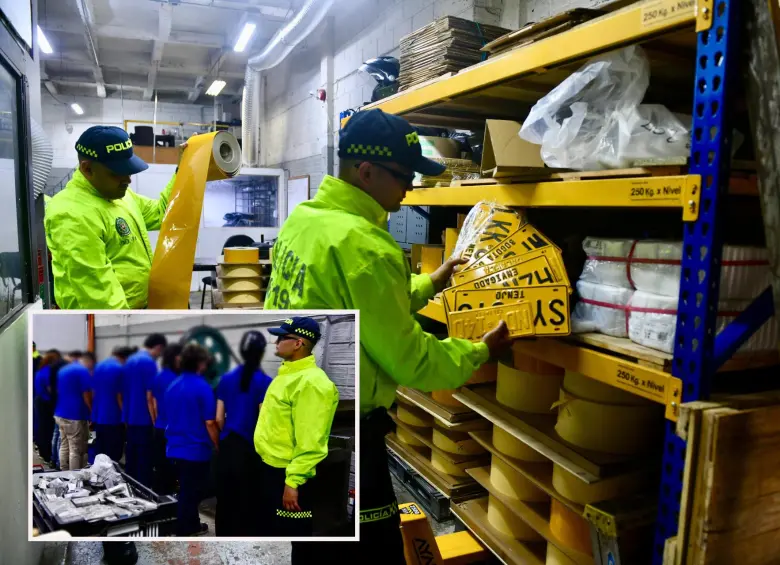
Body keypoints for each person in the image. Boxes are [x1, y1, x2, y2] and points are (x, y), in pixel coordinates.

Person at [263, 109, 512, 560]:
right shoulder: (365, 243)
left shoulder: (305, 221)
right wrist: (479, 351)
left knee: (315, 535)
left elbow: (359, 298)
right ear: (367, 171)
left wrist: (430, 283)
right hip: (347, 433)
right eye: (404, 176)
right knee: (370, 548)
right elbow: (408, 358)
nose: (409, 189)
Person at [44, 126, 187, 309]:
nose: (128, 180)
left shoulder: (120, 196)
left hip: (135, 312)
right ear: (87, 169)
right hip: (103, 322)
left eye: (128, 170)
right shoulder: (71, 214)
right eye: (117, 173)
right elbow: (100, 298)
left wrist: (183, 171)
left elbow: (162, 213)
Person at [253, 317, 339, 541]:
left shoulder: (312, 384)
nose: (276, 342)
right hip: (271, 469)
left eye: (282, 337)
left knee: (295, 535)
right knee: (275, 531)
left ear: (299, 343)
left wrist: (293, 483)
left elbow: (311, 441)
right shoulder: (287, 375)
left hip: (289, 475)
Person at [215, 330, 272, 536]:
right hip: (250, 449)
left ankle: (222, 535)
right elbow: (263, 420)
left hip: (228, 446)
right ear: (262, 353)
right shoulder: (266, 382)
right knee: (247, 500)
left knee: (225, 499)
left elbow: (219, 418)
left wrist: (226, 437)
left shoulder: (226, 379)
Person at [165, 344, 219, 536]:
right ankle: (184, 529)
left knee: (186, 489)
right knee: (192, 492)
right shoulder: (202, 387)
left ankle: (193, 524)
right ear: (200, 363)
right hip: (195, 450)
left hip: (174, 448)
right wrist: (218, 444)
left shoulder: (173, 385)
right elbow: (211, 422)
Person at [122, 334, 167, 488]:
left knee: (131, 456)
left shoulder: (130, 360)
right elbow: (150, 396)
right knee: (144, 460)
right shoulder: (149, 363)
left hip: (130, 417)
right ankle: (143, 491)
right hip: (143, 418)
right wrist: (155, 421)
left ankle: (129, 487)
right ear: (158, 347)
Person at [54, 351, 96, 471]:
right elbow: (86, 394)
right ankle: (75, 477)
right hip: (74, 415)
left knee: (64, 444)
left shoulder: (63, 370)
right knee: (75, 449)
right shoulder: (83, 371)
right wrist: (92, 412)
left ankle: (63, 471)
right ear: (89, 361)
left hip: (60, 413)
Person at [150, 343, 183, 495]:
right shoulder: (179, 378)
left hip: (159, 428)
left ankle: (157, 501)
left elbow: (153, 401)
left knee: (160, 468)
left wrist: (156, 420)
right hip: (174, 432)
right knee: (172, 471)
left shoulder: (158, 376)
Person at [92, 347, 132, 463]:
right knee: (113, 455)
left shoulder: (99, 366)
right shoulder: (120, 369)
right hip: (114, 418)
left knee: (100, 453)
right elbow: (120, 396)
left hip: (99, 418)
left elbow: (93, 391)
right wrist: (126, 419)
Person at [33, 350, 61, 464]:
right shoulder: (48, 371)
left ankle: (44, 453)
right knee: (49, 429)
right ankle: (48, 455)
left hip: (39, 400)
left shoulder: (41, 370)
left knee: (42, 427)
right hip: (46, 402)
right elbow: (50, 389)